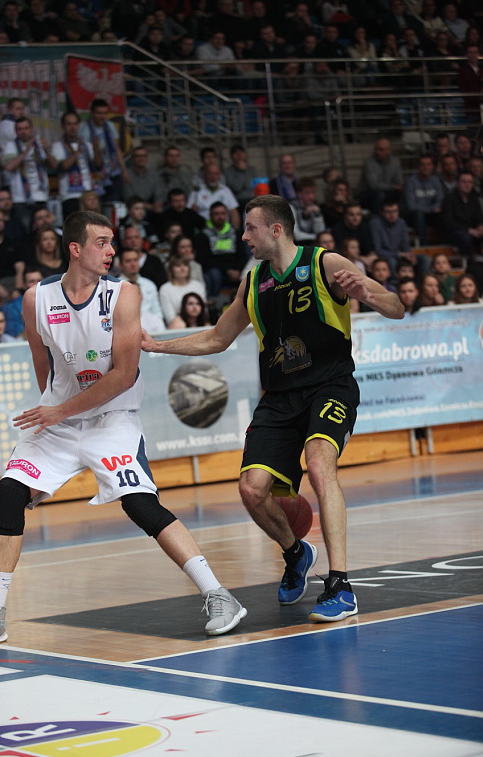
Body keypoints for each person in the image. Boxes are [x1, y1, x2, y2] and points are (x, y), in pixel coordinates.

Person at [0, 210, 246, 651]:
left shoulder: (124, 295)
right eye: (102, 242)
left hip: (113, 419)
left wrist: (60, 410)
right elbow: (42, 362)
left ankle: (219, 594)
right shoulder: (36, 298)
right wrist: (55, 412)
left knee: (140, 504)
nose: (112, 250)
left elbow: (123, 374)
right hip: (59, 422)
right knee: (8, 495)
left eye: (112, 242)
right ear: (75, 249)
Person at [142, 194, 404, 622]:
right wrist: (157, 346)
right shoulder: (253, 281)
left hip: (329, 387)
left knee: (319, 465)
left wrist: (368, 295)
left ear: (276, 229)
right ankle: (296, 552)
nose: (244, 236)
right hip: (280, 397)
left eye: (250, 228)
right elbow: (217, 338)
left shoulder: (325, 263)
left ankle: (340, 585)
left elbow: (397, 307)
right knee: (252, 489)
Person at [1, 117, 56, 230]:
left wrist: (46, 150)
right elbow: (9, 167)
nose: (23, 131)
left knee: (44, 229)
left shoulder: (39, 144)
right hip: (21, 198)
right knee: (26, 230)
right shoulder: (11, 145)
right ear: (16, 131)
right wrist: (26, 151)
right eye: (20, 129)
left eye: (26, 128)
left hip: (41, 195)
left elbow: (54, 166)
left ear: (31, 129)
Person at [51, 110, 101, 219]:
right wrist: (76, 153)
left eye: (75, 124)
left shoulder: (86, 145)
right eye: (69, 124)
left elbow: (98, 166)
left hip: (89, 194)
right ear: (63, 126)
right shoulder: (57, 146)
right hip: (70, 196)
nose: (72, 127)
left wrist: (96, 148)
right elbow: (61, 168)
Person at [81, 98, 129, 204]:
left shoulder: (109, 125)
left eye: (105, 113)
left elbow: (116, 148)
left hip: (113, 171)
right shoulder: (85, 129)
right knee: (97, 205)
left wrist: (124, 170)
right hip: (94, 175)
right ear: (92, 113)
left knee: (114, 204)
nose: (102, 116)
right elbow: (85, 157)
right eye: (99, 113)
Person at [194, 201, 247, 298]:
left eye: (222, 213)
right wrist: (227, 270)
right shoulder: (203, 235)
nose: (220, 216)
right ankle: (214, 300)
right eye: (216, 214)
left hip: (235, 269)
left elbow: (242, 255)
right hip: (216, 270)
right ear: (210, 215)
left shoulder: (235, 233)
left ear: (226, 215)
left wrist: (238, 270)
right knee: (214, 274)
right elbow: (204, 259)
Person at [116, 246, 164, 324]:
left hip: (151, 326)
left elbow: (157, 312)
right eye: (128, 261)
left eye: (135, 260)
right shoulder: (114, 286)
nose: (133, 264)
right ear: (120, 265)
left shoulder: (149, 284)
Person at [403, 155, 444, 245]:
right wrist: (431, 209)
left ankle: (445, 244)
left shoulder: (436, 180)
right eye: (423, 164)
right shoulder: (411, 181)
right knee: (419, 214)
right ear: (418, 167)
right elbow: (411, 206)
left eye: (428, 164)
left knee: (444, 214)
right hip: (414, 215)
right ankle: (425, 245)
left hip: (431, 215)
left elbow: (440, 200)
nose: (426, 167)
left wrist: (433, 209)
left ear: (432, 166)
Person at [357, 138, 403, 215]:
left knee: (403, 193)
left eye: (381, 150)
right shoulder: (369, 162)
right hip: (367, 193)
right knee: (379, 194)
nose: (377, 152)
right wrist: (393, 187)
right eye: (376, 149)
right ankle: (376, 219)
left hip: (387, 192)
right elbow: (373, 185)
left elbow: (399, 182)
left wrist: (398, 187)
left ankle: (397, 218)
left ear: (389, 150)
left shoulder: (395, 162)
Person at [187, 163, 241, 230]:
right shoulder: (197, 191)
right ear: (205, 175)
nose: (213, 177)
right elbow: (189, 211)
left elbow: (234, 212)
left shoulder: (225, 190)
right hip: (203, 228)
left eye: (216, 174)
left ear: (219, 176)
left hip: (223, 228)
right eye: (210, 173)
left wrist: (235, 230)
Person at [441, 172, 483, 257]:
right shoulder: (449, 198)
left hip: (472, 231)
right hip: (453, 233)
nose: (467, 185)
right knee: (465, 237)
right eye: (464, 182)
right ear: (457, 184)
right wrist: (468, 230)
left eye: (470, 182)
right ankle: (468, 261)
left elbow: (478, 218)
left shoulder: (474, 199)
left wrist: (480, 226)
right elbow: (448, 222)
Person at [159, 256, 206, 326]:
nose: (182, 269)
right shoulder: (165, 289)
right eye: (178, 266)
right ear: (171, 270)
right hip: (177, 326)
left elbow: (202, 311)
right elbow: (170, 318)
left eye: (185, 265)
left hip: (199, 324)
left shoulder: (198, 286)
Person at [290, 177, 326, 244]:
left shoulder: (314, 206)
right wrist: (317, 237)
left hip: (313, 244)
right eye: (307, 193)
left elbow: (321, 232)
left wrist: (317, 215)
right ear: (299, 193)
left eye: (312, 192)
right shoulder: (292, 207)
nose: (311, 197)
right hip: (297, 245)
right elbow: (296, 235)